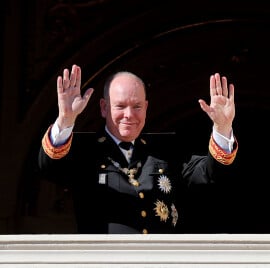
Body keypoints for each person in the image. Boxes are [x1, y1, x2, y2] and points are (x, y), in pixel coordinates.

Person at [38, 64, 238, 234]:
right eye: (120, 106)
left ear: (146, 107)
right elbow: (50, 166)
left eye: (137, 107)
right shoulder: (85, 152)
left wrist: (222, 128)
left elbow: (210, 174)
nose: (129, 115)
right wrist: (66, 119)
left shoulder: (166, 151)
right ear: (104, 107)